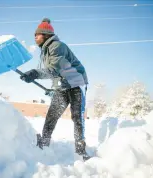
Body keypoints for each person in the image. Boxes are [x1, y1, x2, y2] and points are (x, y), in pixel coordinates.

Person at [20, 18, 90, 160]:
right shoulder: (45, 51)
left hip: (77, 84)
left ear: (45, 35)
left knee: (77, 118)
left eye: (37, 35)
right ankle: (44, 143)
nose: (35, 37)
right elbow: (57, 73)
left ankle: (81, 152)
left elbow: (54, 69)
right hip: (63, 87)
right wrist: (53, 88)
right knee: (52, 115)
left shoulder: (56, 46)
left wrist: (35, 73)